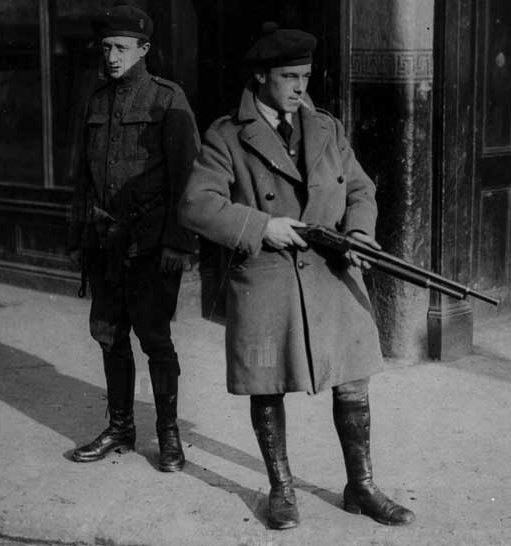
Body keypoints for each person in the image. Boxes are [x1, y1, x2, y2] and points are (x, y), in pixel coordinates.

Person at [178, 23, 415, 529]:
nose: (300, 87)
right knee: (268, 382)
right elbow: (196, 205)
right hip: (267, 276)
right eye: (289, 76)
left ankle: (362, 485)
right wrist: (265, 226)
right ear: (261, 76)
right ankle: (281, 488)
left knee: (353, 379)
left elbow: (361, 189)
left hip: (331, 273)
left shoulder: (325, 127)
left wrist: (360, 235)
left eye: (305, 76)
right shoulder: (226, 136)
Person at [66, 2, 200, 471]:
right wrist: (78, 236)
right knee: (108, 336)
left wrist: (178, 244)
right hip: (103, 241)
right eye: (106, 48)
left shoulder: (168, 99)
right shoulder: (96, 100)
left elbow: (190, 179)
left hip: (150, 243)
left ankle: (168, 435)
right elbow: (82, 177)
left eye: (122, 47)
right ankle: (121, 426)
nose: (112, 57)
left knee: (155, 339)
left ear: (144, 49)